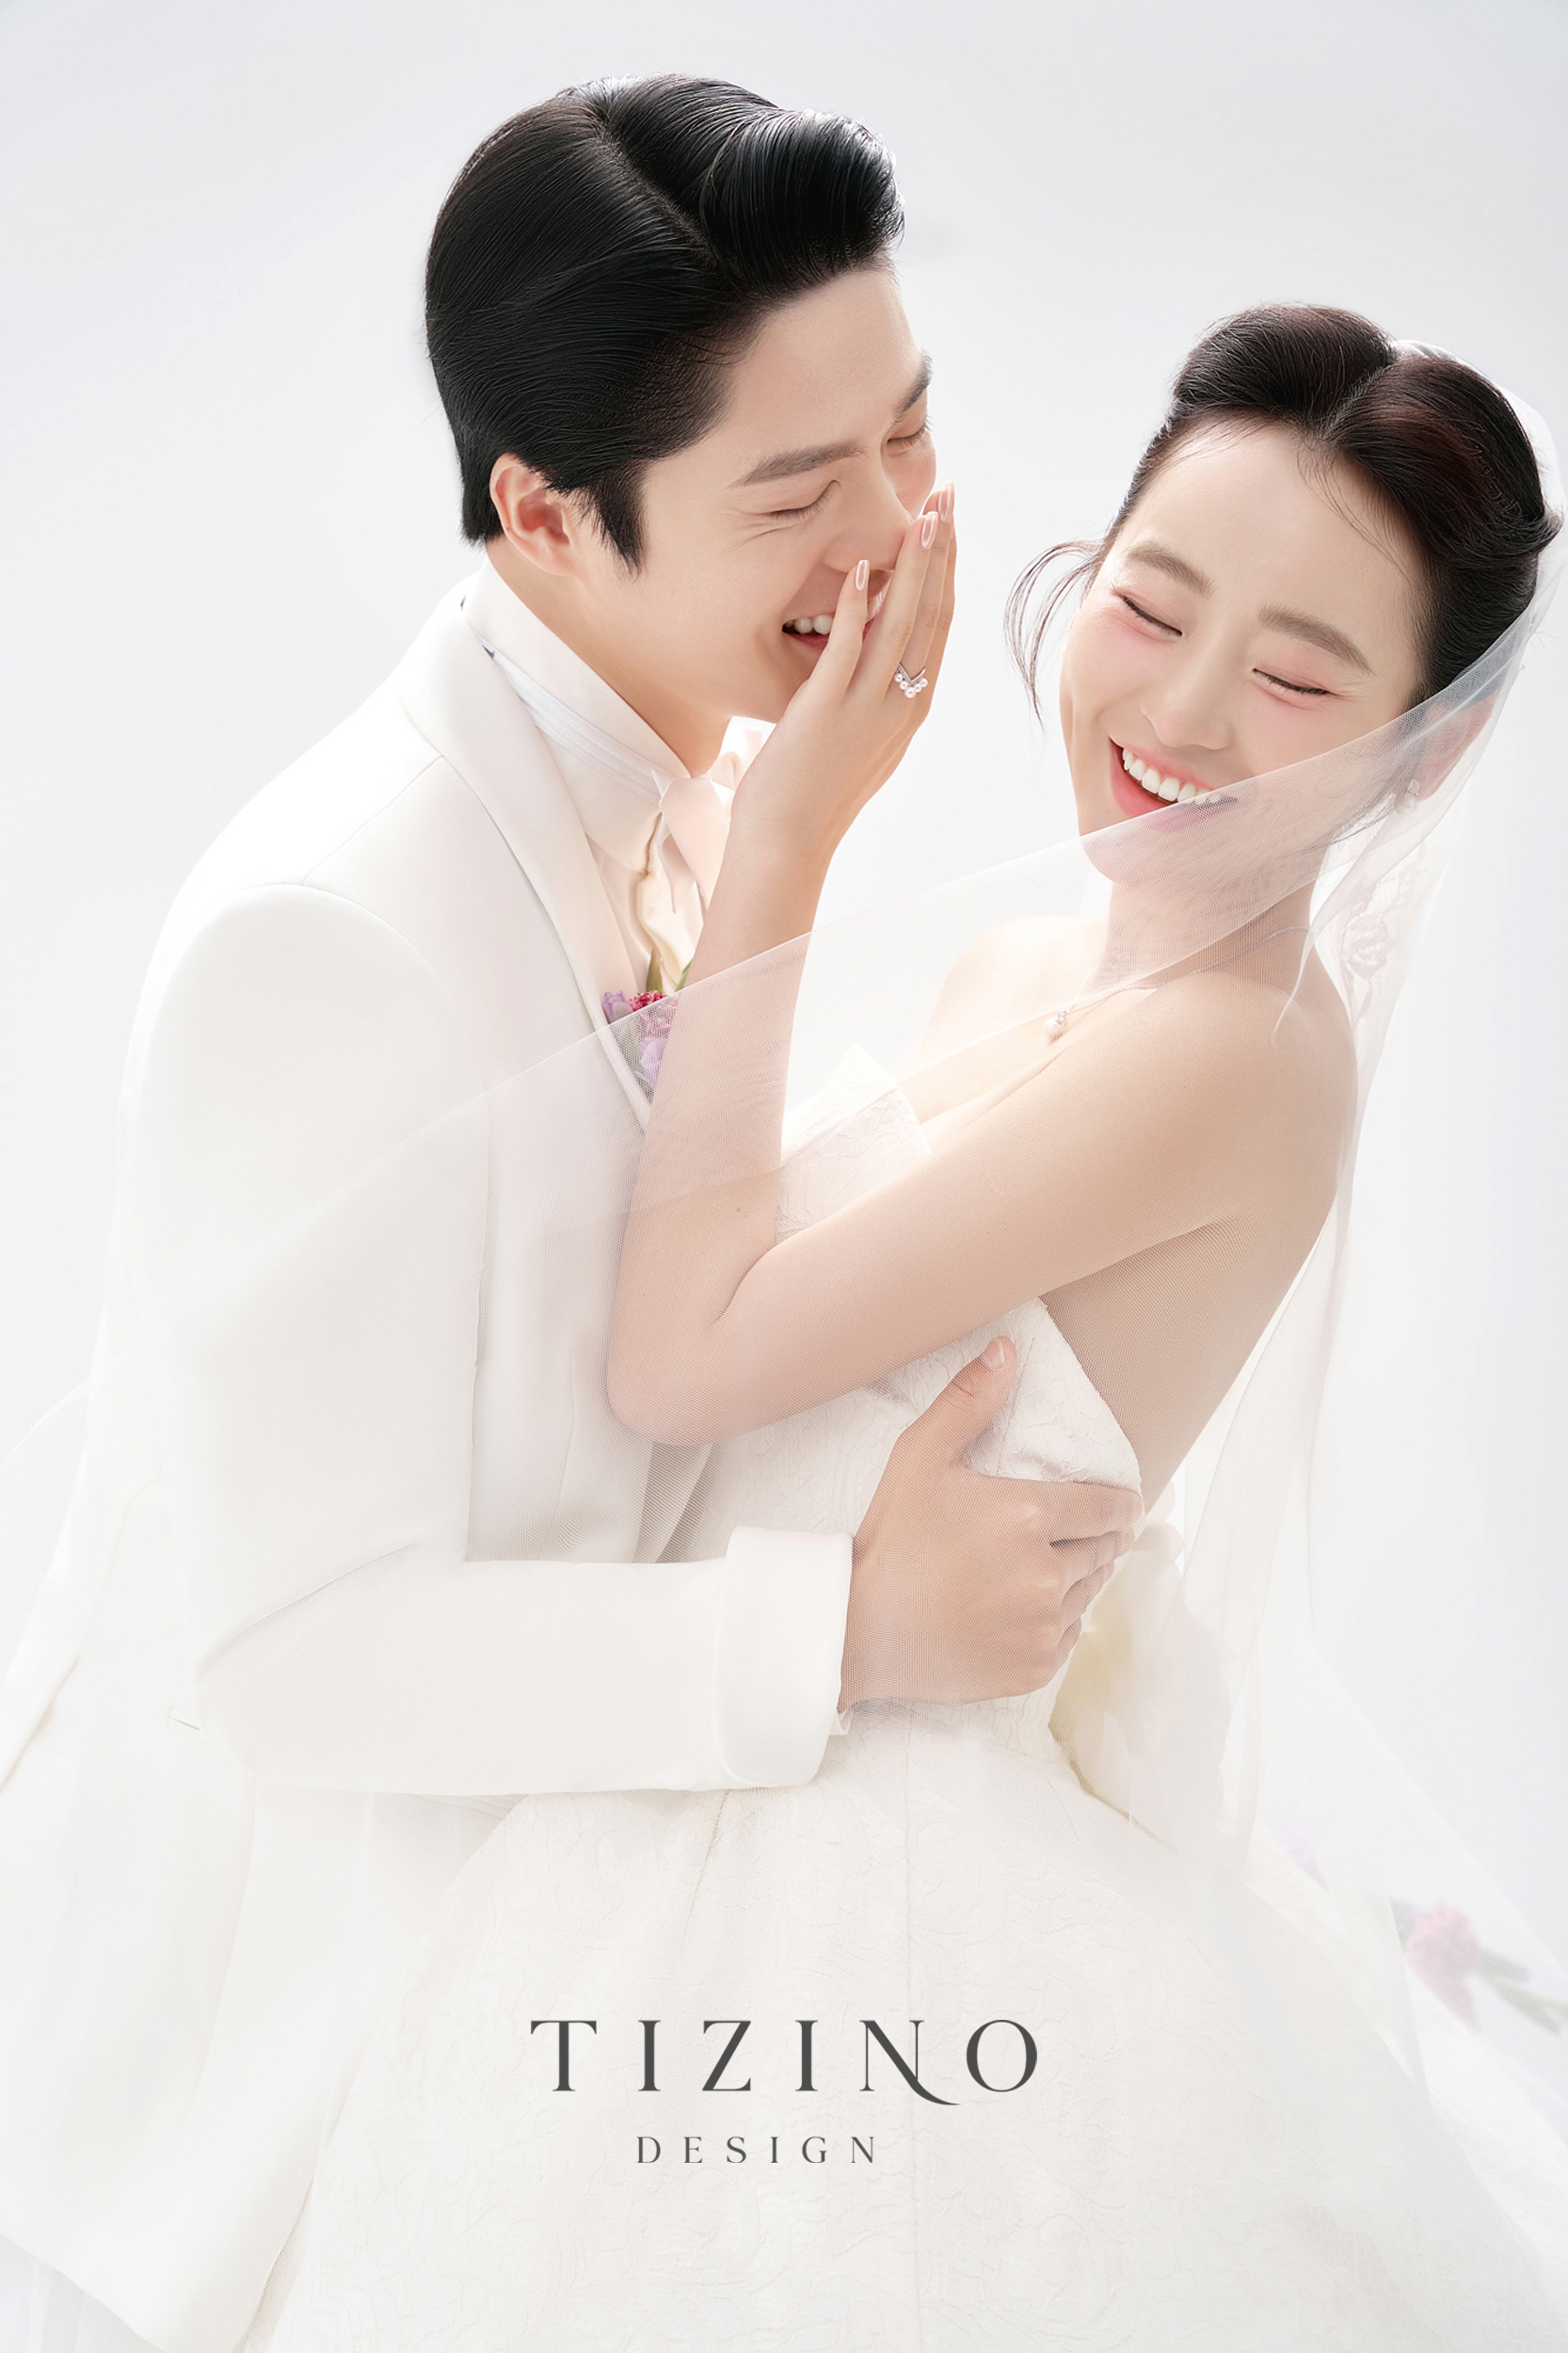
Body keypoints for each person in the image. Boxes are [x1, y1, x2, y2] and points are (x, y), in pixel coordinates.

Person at [264, 309, 1568, 2349]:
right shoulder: (1021, 969)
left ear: (1431, 735)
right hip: (743, 1761)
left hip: (868, 1881)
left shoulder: (1228, 1061)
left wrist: (786, 835)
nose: (1185, 708)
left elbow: (682, 1362)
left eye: (1300, 675)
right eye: (1153, 604)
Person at [0, 77, 1136, 2353]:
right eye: (795, 492)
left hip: (589, 1894)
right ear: (540, 512)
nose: (889, 539)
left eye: (909, 433)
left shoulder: (702, 760)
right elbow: (296, 1651)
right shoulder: (326, 931)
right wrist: (844, 1628)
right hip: (291, 2053)